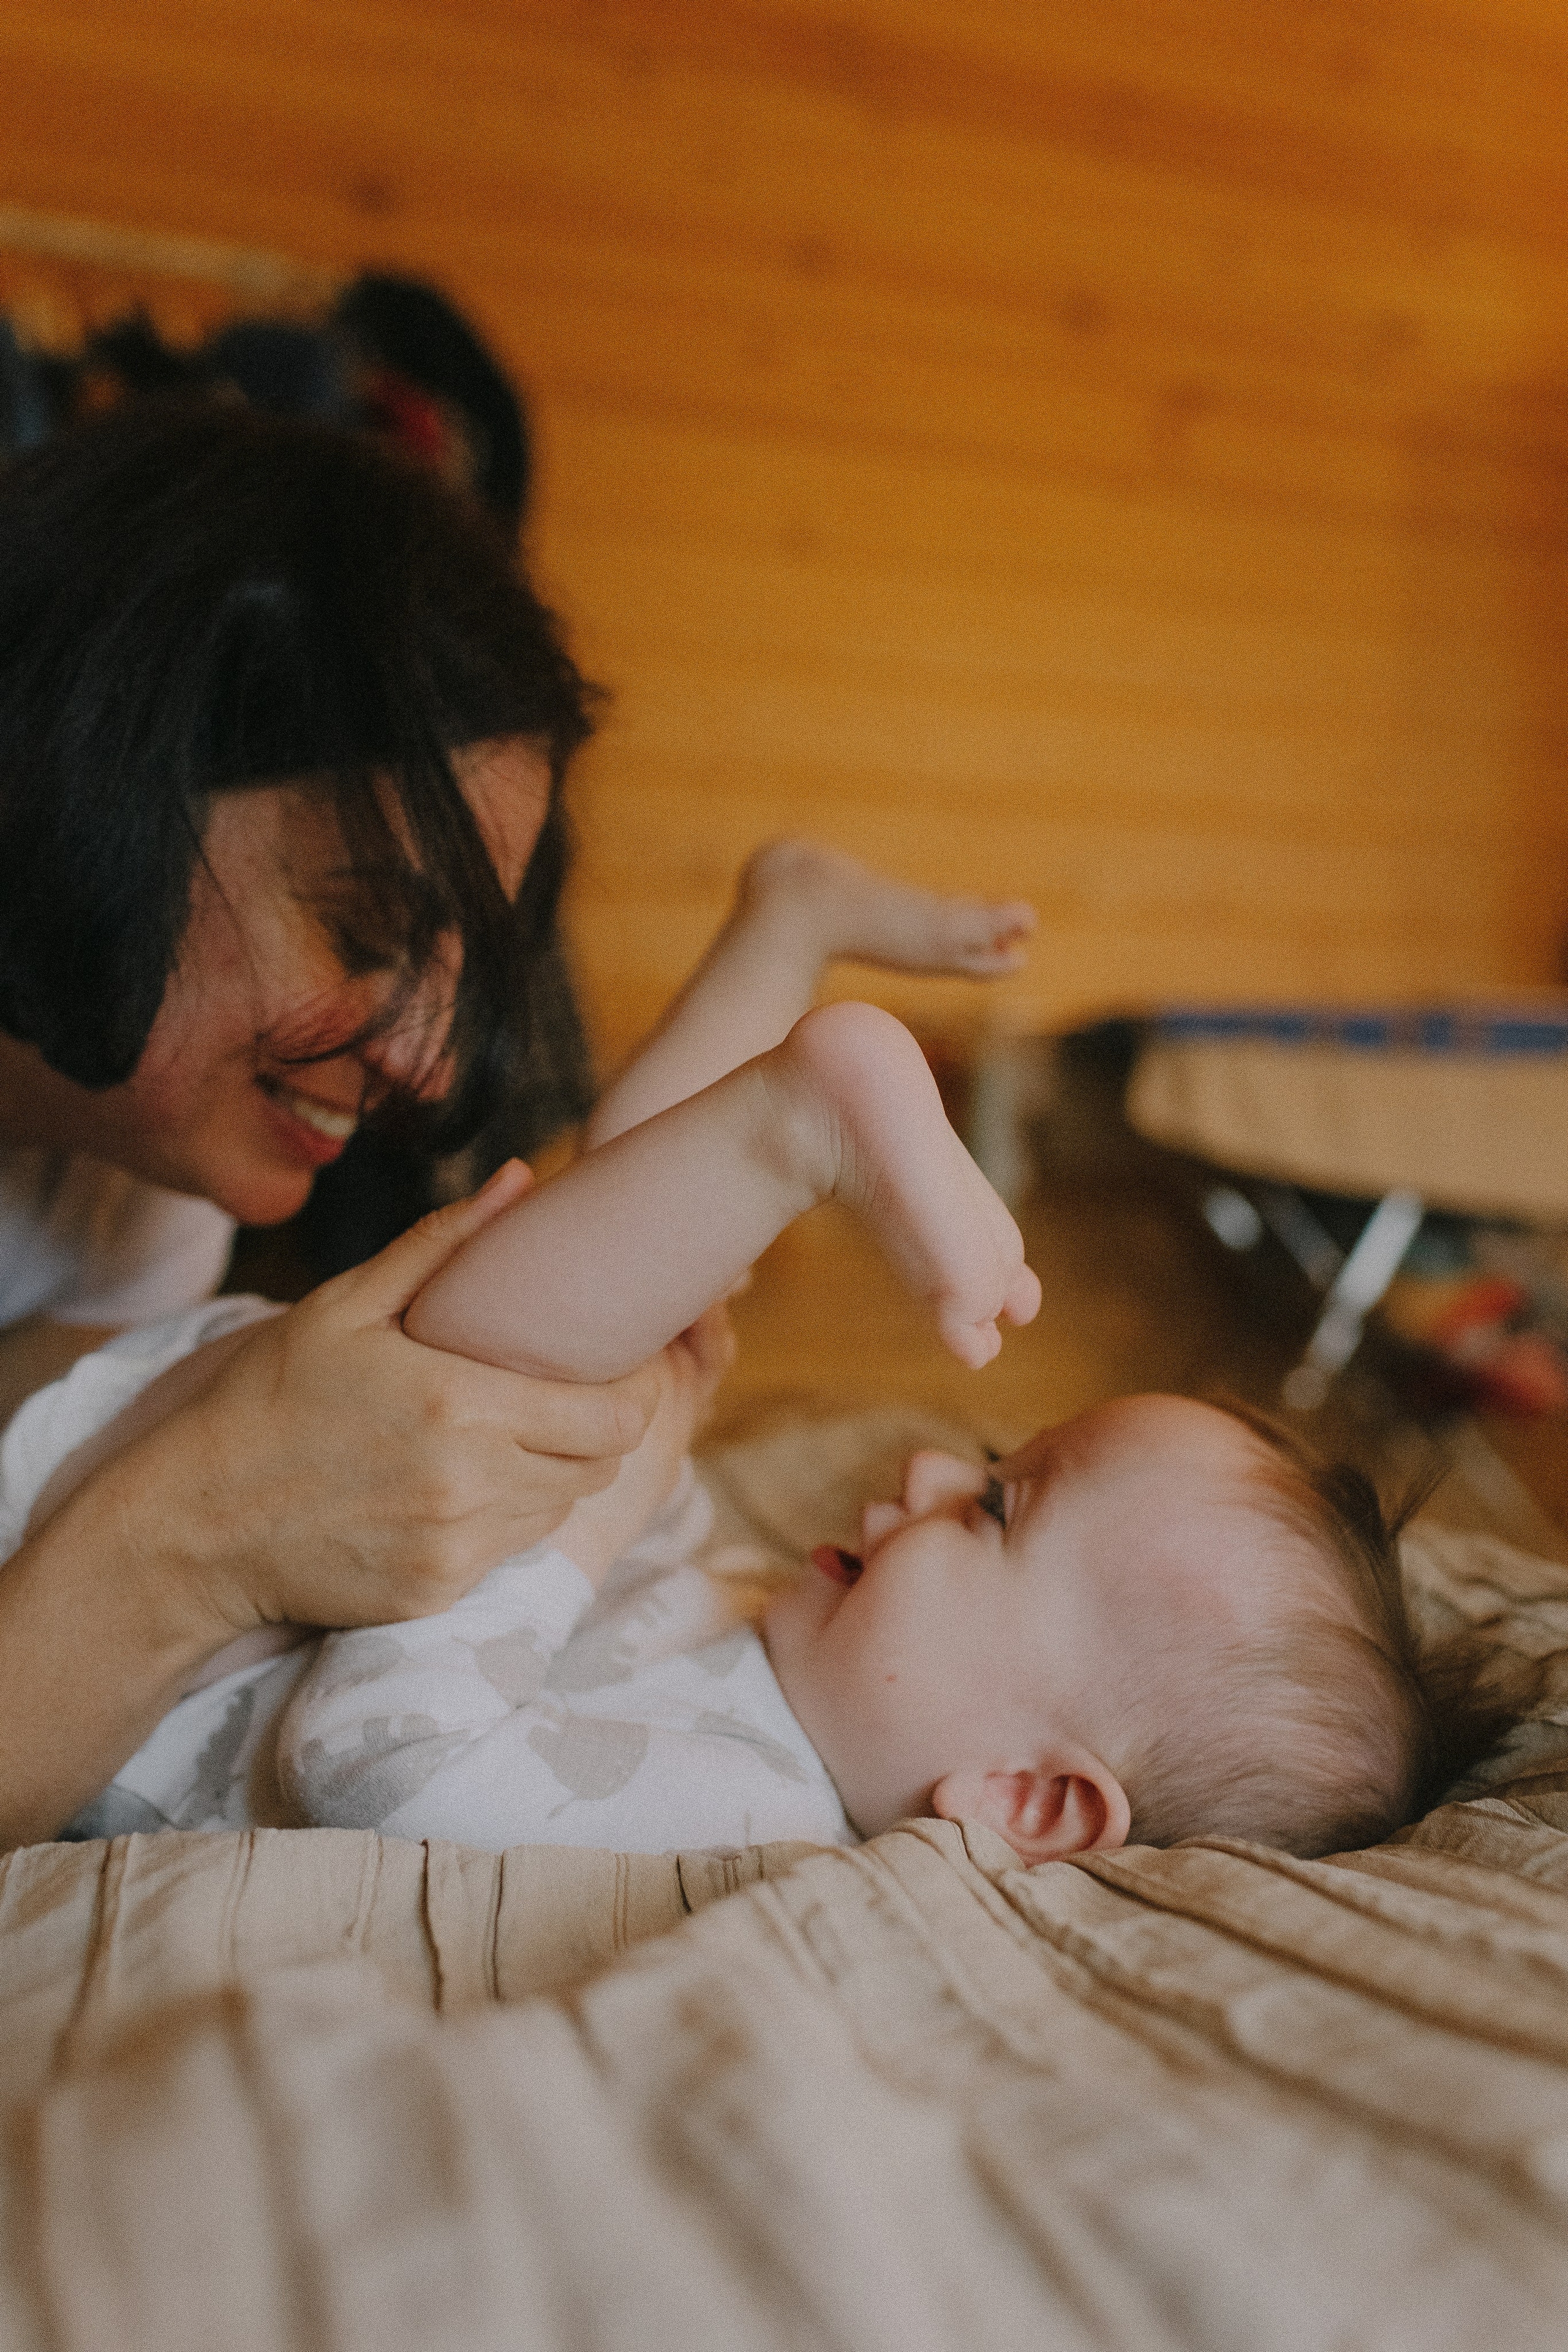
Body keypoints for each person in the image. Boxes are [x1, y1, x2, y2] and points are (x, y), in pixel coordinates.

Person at [10, 846, 1449, 1859]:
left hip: (73, 1575)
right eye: (996, 1460)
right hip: (160, 1459)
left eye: (998, 1507)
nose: (937, 1463)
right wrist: (629, 1468)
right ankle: (782, 972)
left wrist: (597, 1501)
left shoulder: (750, 1807)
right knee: (636, 1295)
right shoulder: (789, 1662)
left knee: (573, 1369)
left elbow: (378, 1765)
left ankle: (796, 1104)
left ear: (1031, 1800)